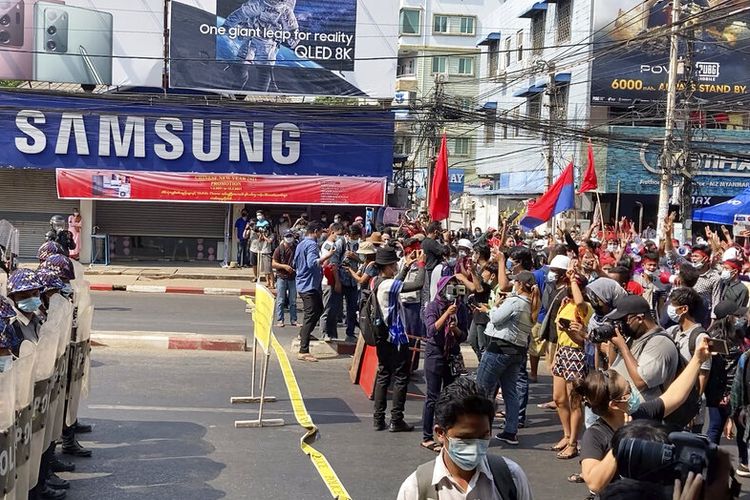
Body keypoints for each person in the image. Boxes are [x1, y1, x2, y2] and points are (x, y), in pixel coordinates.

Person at [573, 337, 712, 494]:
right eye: (628, 392)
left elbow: (675, 395)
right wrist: (621, 443)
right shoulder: (595, 435)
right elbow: (594, 483)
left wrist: (697, 360)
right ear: (614, 404)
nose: (633, 394)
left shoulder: (640, 414)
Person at [397, 378, 533, 500]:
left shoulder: (511, 477)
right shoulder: (415, 489)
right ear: (440, 433)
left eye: (483, 436)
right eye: (465, 437)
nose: (475, 446)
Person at [476, 270, 536, 446]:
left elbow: (496, 318)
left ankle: (480, 430)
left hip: (500, 349)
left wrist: (492, 307)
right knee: (510, 392)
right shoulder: (530, 303)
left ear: (519, 284)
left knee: (481, 390)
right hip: (516, 351)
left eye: (514, 282)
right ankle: (510, 431)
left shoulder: (516, 302)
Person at [372, 246, 426, 432]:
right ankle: (396, 419)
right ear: (386, 266)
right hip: (395, 337)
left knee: (383, 374)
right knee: (401, 376)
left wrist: (406, 267)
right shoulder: (387, 285)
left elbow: (396, 282)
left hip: (381, 335)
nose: (396, 265)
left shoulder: (376, 282)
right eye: (394, 263)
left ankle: (378, 419)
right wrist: (421, 265)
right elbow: (417, 285)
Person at [421, 276, 470, 452]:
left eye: (456, 288)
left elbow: (463, 336)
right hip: (435, 353)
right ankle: (427, 436)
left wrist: (455, 327)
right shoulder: (433, 306)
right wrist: (446, 314)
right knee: (432, 397)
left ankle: (447, 432)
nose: (452, 292)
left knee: (450, 396)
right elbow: (431, 330)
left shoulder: (461, 308)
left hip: (452, 354)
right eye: (449, 288)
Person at [550, 271, 593, 461]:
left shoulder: (584, 307)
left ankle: (574, 442)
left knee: (575, 401)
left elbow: (581, 340)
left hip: (576, 354)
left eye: (573, 284)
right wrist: (555, 357)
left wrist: (575, 280)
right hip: (563, 353)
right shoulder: (565, 303)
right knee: (559, 398)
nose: (569, 285)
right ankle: (567, 435)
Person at [606, 294, 679, 401]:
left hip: (645, 414)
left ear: (640, 318)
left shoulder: (660, 343)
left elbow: (641, 381)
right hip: (623, 411)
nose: (620, 325)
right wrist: (613, 344)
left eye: (623, 320)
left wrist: (622, 347)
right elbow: (613, 368)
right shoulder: (634, 337)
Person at [666, 287, 712, 433]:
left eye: (673, 306)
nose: (669, 309)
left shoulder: (700, 337)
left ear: (684, 309)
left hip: (689, 404)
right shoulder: (672, 332)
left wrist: (692, 408)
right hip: (673, 400)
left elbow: (703, 374)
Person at [294, 223, 335, 362]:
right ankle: (303, 350)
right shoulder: (311, 245)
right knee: (311, 314)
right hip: (308, 285)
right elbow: (312, 263)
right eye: (320, 232)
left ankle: (304, 333)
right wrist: (327, 255)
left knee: (318, 309)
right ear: (316, 231)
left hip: (306, 283)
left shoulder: (301, 244)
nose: (321, 235)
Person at [467, 263, 498, 363]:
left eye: (485, 271)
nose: (483, 274)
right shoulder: (485, 283)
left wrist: (470, 273)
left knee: (483, 345)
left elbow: (478, 288)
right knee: (472, 340)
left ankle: (484, 368)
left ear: (492, 275)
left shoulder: (491, 287)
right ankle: (482, 364)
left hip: (484, 319)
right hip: (477, 316)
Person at [272, 230, 297, 327]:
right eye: (287, 236)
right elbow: (273, 264)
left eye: (291, 236)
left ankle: (293, 320)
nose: (289, 238)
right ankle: (280, 320)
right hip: (281, 277)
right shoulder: (279, 249)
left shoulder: (295, 248)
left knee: (293, 300)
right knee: (281, 300)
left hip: (292, 277)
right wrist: (284, 266)